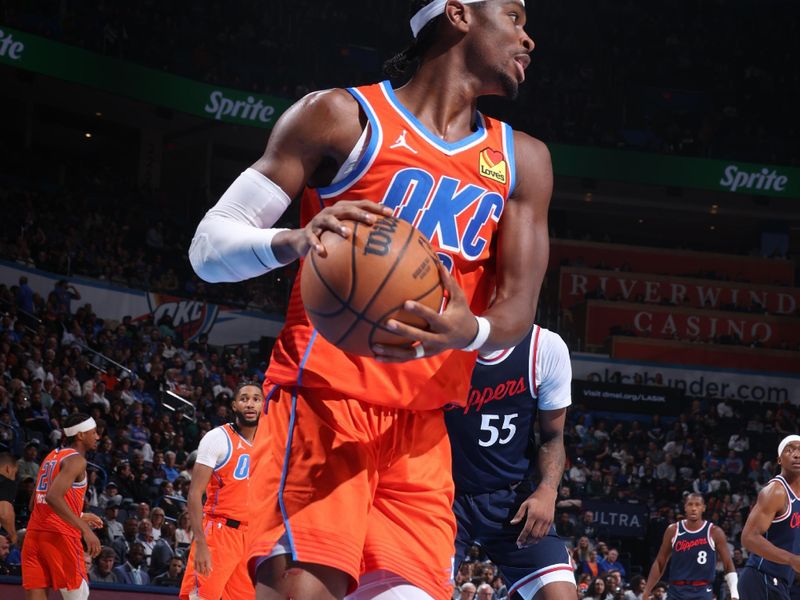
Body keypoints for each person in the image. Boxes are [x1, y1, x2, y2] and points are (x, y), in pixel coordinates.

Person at [188, 2, 550, 598]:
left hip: (422, 432)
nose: (528, 38)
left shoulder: (523, 161)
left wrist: (472, 333)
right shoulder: (339, 116)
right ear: (459, 14)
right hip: (323, 409)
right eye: (513, 16)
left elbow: (517, 309)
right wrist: (296, 240)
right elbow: (208, 246)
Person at [445, 324, 574, 599]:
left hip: (511, 501)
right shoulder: (440, 337)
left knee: (560, 595)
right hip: (444, 496)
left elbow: (553, 437)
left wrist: (548, 490)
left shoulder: (545, 347)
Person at [179, 382, 264, 600]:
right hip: (220, 532)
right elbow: (194, 494)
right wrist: (200, 543)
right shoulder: (217, 438)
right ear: (234, 406)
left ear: (263, 405)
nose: (250, 404)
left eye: (256, 398)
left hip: (252, 536)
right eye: (244, 398)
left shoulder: (270, 442)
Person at [21, 413, 103, 599]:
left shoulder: (51, 457)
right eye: (94, 432)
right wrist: (85, 530)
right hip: (61, 538)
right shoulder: (77, 460)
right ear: (81, 435)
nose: (97, 437)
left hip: (34, 537)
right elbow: (53, 497)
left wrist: (80, 514)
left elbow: (35, 503)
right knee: (79, 595)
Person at [643, 493, 739, 600]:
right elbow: (660, 562)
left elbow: (728, 564)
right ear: (685, 507)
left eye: (697, 505)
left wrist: (734, 593)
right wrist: (647, 590)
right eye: (690, 504)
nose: (694, 508)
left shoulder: (715, 532)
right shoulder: (673, 530)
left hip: (702, 591)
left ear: (703, 508)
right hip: (676, 591)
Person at [739, 435, 800, 599]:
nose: (796, 454)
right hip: (761, 577)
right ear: (779, 460)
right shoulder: (776, 491)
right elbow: (748, 537)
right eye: (790, 450)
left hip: (781, 582)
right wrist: (791, 560)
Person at [0, 452, 18, 545]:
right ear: (8, 469)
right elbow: (4, 514)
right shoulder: (6, 483)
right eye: (15, 472)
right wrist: (13, 534)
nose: (14, 477)